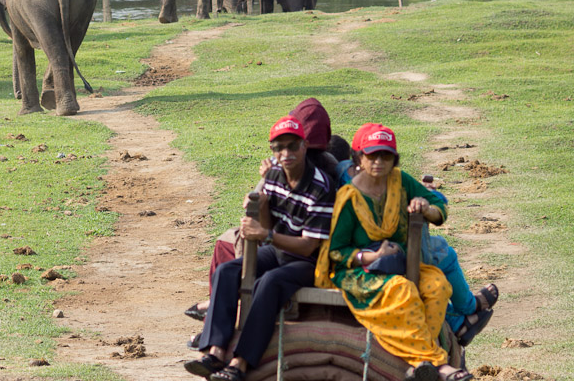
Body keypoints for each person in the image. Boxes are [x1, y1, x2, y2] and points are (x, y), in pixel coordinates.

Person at [315, 123, 471, 381]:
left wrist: (425, 207)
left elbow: (438, 203)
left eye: (385, 156)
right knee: (403, 290)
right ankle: (438, 364)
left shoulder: (401, 181)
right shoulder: (348, 197)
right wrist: (373, 256)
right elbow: (337, 252)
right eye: (371, 155)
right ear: (358, 158)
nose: (378, 161)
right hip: (357, 271)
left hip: (399, 264)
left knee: (438, 285)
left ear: (394, 160)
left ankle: (420, 364)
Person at [184, 116, 334, 381]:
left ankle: (240, 363)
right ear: (272, 150)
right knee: (227, 271)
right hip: (277, 250)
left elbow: (309, 246)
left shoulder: (321, 187)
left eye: (292, 146)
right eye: (279, 148)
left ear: (304, 146)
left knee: (270, 282)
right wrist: (263, 207)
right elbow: (268, 228)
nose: (285, 153)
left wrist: (265, 233)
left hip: (308, 261)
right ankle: (215, 351)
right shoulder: (273, 176)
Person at [333, 154, 497, 347]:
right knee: (444, 253)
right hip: (381, 259)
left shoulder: (331, 175)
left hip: (365, 257)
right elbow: (437, 201)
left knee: (435, 278)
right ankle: (465, 310)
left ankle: (458, 319)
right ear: (359, 159)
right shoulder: (356, 184)